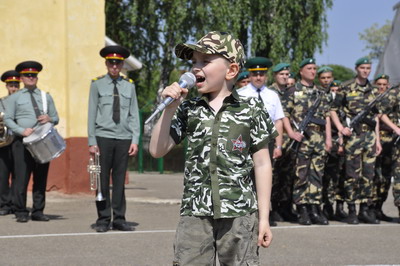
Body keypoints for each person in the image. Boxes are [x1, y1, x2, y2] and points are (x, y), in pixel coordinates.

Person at [149, 31, 277, 265]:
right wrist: (169, 108)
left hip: (239, 213)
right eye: (193, 62)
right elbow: (157, 150)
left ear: (231, 70)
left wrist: (264, 218)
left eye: (205, 62)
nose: (195, 68)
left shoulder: (251, 110)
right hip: (196, 212)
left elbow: (262, 163)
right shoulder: (188, 109)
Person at [88, 45, 140, 233]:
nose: (115, 66)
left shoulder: (129, 85)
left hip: (124, 137)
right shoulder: (97, 84)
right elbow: (91, 113)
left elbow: (134, 114)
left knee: (119, 181)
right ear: (106, 63)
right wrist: (92, 141)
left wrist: (135, 139)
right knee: (101, 180)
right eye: (111, 63)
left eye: (118, 63)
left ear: (122, 65)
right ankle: (103, 219)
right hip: (103, 137)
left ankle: (119, 219)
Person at [4, 61, 59, 223]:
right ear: (21, 78)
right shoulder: (14, 98)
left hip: (42, 141)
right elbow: (7, 119)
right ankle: (21, 211)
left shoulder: (45, 96)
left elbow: (56, 117)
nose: (31, 78)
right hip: (21, 142)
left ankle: (38, 211)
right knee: (21, 177)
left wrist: (50, 118)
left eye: (33, 75)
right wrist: (21, 130)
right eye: (27, 75)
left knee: (41, 177)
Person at [330, 57, 382, 224]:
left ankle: (364, 210)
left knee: (369, 174)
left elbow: (376, 117)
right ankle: (351, 209)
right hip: (353, 137)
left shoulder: (373, 90)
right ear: (356, 69)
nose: (366, 70)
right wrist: (340, 128)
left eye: (368, 68)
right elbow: (332, 110)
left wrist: (378, 140)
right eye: (363, 68)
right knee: (352, 174)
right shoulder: (346, 87)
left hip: (370, 137)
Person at [284, 58, 332, 225]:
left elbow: (326, 117)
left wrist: (328, 138)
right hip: (302, 138)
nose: (313, 71)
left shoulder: (321, 92)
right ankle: (302, 208)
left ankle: (314, 208)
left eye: (314, 68)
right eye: (309, 68)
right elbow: (284, 115)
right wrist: (291, 133)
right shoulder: (293, 90)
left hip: (318, 138)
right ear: (301, 71)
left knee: (317, 174)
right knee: (301, 174)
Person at [268, 63, 298, 223]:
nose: (285, 76)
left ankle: (285, 208)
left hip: (290, 142)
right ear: (275, 75)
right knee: (273, 176)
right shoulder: (270, 93)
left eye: (287, 74)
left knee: (288, 176)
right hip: (275, 138)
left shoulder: (291, 92)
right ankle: (271, 209)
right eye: (282, 74)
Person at [322, 80, 347, 221]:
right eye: (333, 90)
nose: (335, 93)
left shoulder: (343, 107)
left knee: (341, 176)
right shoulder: (327, 105)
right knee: (328, 177)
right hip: (331, 144)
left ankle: (339, 207)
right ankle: (327, 206)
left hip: (343, 145)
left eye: (337, 90)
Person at [373, 74, 397, 221]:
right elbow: (379, 116)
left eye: (384, 84)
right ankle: (371, 208)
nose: (381, 87)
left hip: (392, 140)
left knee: (386, 177)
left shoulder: (391, 98)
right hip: (379, 139)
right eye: (379, 84)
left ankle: (379, 209)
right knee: (376, 176)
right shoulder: (373, 99)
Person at [0, 70, 20, 215]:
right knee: (3, 173)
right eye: (11, 85)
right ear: (6, 86)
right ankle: (4, 203)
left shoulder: (23, 102)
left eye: (16, 85)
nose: (13, 88)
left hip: (19, 141)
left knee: (18, 173)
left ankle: (15, 203)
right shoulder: (1, 102)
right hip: (3, 142)